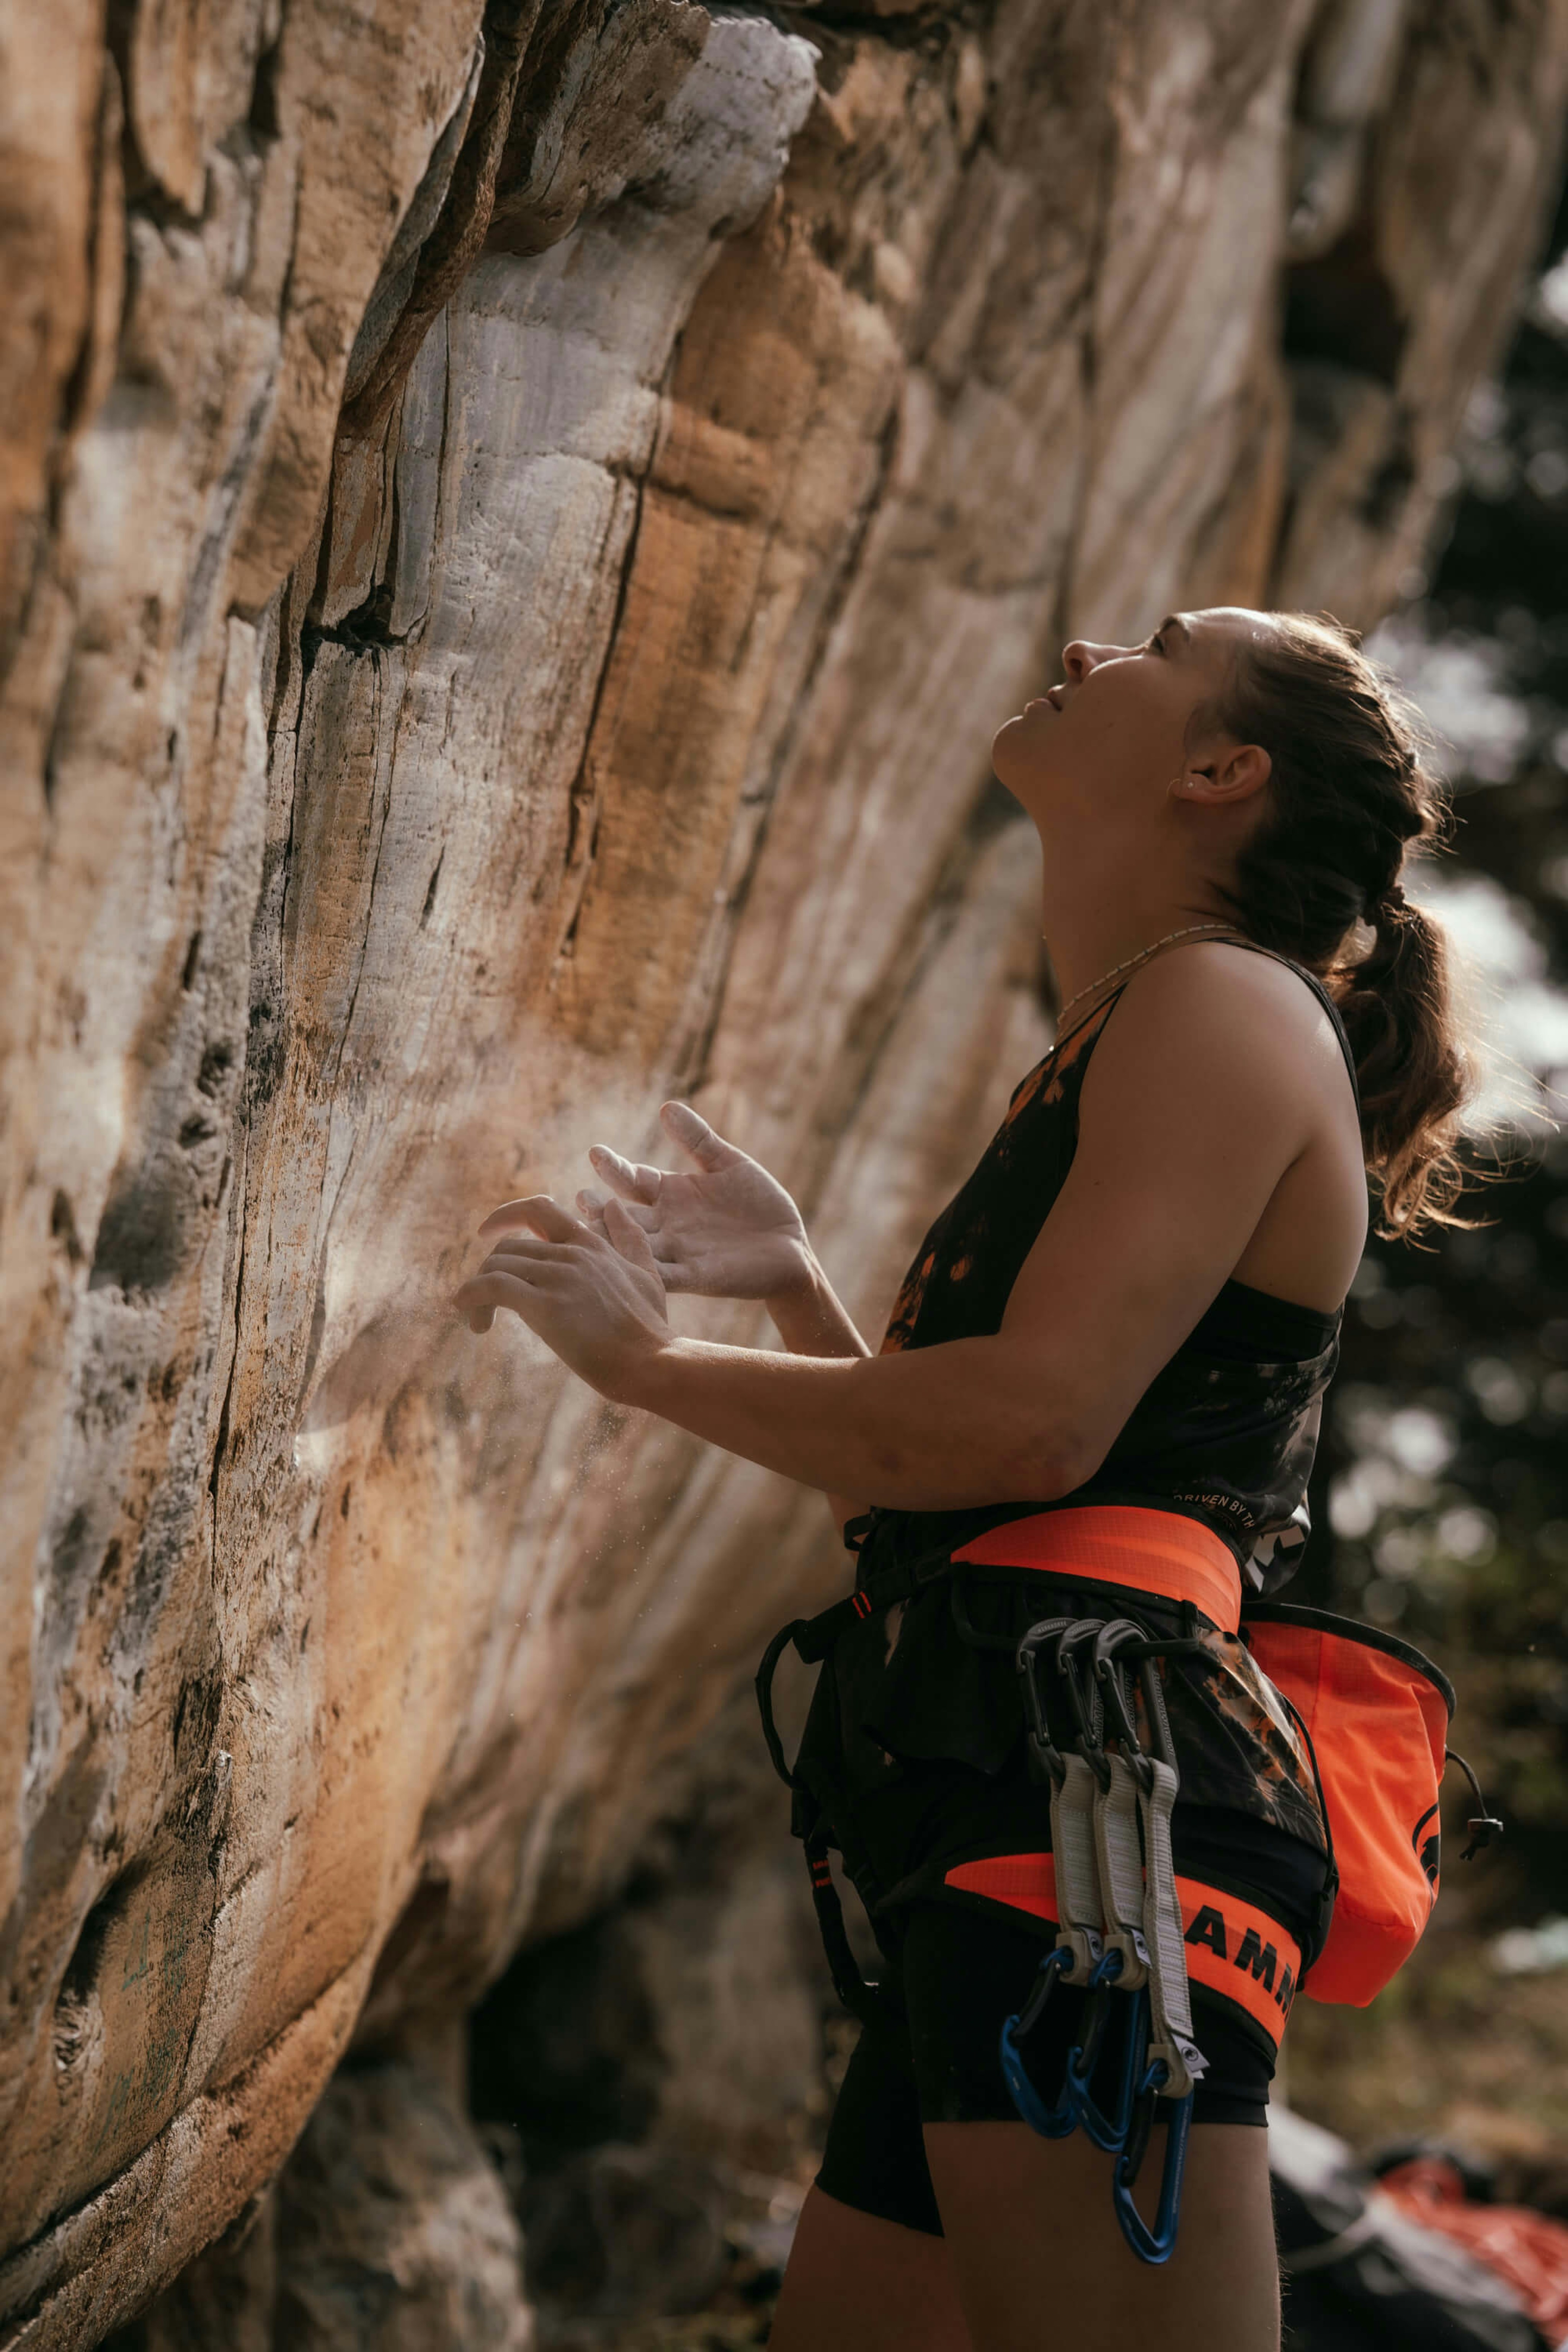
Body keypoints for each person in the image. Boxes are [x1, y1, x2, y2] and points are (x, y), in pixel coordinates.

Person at [456, 608, 1472, 2352]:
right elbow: (990, 1489)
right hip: (1028, 1788)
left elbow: (1029, 1433)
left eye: (1158, 643)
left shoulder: (1221, 1004)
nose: (1089, 641)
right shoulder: (1149, 1021)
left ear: (1222, 771)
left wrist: (642, 1364)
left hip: (1090, 1807)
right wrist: (789, 1288)